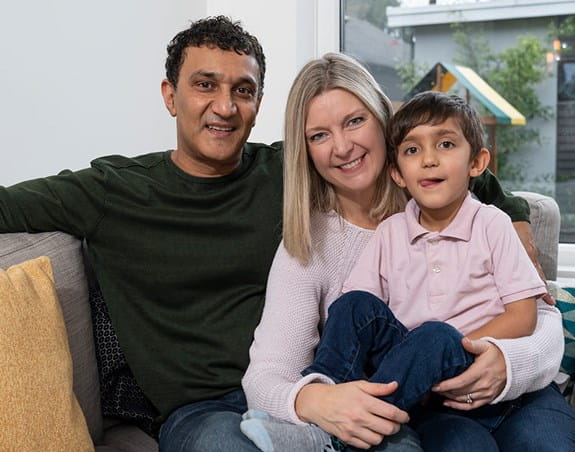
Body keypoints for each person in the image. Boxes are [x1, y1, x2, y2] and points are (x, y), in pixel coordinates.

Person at [0, 17, 556, 452]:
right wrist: (315, 400)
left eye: (242, 89)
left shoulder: (353, 173)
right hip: (217, 404)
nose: (225, 106)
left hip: (397, 382)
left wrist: (513, 217)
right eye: (204, 86)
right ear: (170, 95)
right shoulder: (118, 189)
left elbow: (450, 155)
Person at [241, 53, 569, 452]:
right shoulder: (320, 241)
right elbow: (345, 320)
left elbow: (538, 315)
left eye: (355, 121)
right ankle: (329, 428)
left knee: (541, 440)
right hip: (430, 396)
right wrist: (322, 402)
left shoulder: (452, 192)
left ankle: (333, 437)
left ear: (383, 123)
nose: (343, 146)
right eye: (319, 135)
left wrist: (508, 363)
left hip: (515, 381)